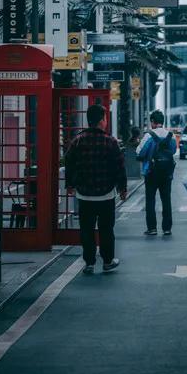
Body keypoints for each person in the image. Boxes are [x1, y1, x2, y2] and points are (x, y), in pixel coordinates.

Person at [65, 104, 127, 275]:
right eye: (105, 118)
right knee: (106, 229)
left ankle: (89, 263)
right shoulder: (111, 141)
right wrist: (122, 188)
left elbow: (68, 163)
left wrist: (70, 184)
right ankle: (107, 261)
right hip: (106, 194)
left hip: (84, 195)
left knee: (87, 230)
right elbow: (119, 167)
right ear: (101, 120)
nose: (106, 121)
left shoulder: (77, 140)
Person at [136, 110, 177, 236]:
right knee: (166, 200)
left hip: (151, 172)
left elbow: (140, 152)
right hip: (166, 172)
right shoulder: (171, 136)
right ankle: (167, 228)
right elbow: (174, 151)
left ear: (153, 122)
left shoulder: (149, 136)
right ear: (162, 122)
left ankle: (152, 228)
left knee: (150, 200)